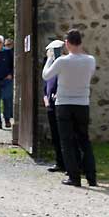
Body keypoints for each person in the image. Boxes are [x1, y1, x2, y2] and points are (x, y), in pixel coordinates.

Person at [42, 29, 97, 187]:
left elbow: (46, 75)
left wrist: (49, 59)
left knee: (67, 142)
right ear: (81, 42)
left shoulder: (63, 61)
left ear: (67, 43)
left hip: (64, 104)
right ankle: (91, 176)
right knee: (84, 140)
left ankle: (74, 177)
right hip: (82, 103)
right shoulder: (90, 60)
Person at [43, 49, 65, 174]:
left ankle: (70, 164)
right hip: (50, 105)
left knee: (65, 136)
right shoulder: (48, 66)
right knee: (55, 136)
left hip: (60, 103)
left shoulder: (63, 64)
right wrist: (45, 98)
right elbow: (45, 84)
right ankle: (59, 162)